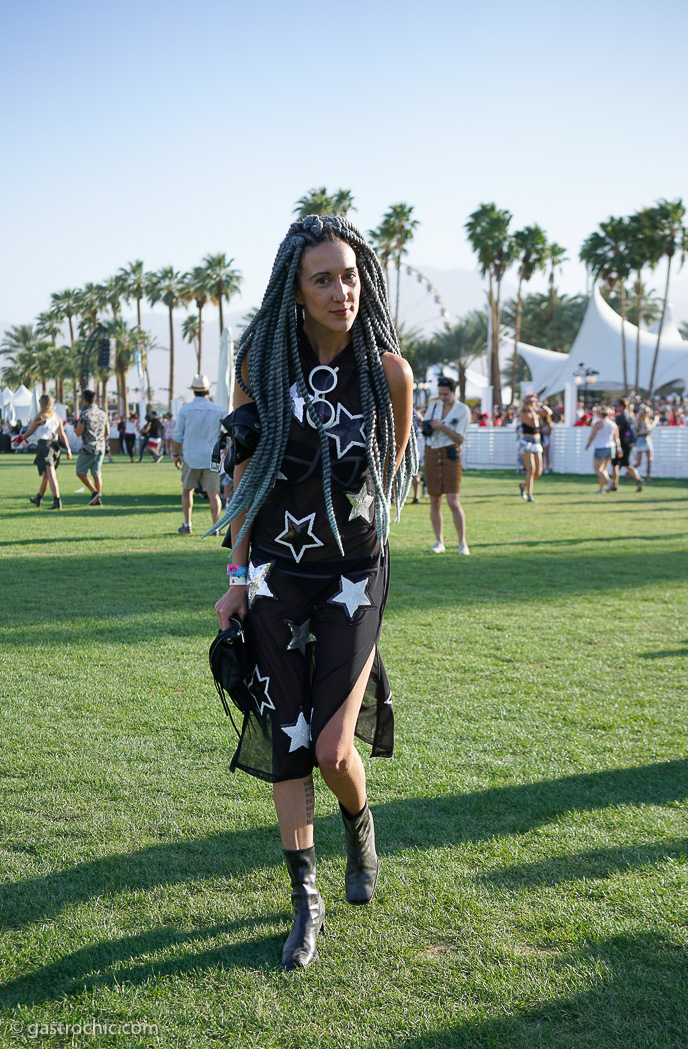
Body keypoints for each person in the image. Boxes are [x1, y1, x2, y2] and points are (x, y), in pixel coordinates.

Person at [212, 215, 416, 970]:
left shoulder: (391, 372)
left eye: (351, 274)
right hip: (273, 573)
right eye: (324, 278)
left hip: (355, 575)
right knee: (289, 747)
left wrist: (357, 555)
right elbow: (241, 476)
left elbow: (387, 484)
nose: (343, 290)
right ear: (294, 292)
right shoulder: (261, 363)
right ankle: (307, 902)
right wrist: (236, 578)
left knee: (334, 748)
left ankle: (360, 825)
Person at [421, 376, 470, 553]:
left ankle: (462, 543)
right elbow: (425, 428)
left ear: (454, 392)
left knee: (453, 501)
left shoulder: (462, 410)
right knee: (434, 500)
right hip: (432, 453)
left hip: (450, 453)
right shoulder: (434, 406)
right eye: (440, 394)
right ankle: (439, 542)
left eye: (445, 394)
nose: (442, 397)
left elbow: (459, 438)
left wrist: (441, 426)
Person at [172, 376, 225, 534]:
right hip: (213, 457)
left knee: (187, 490)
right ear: (208, 390)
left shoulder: (185, 410)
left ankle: (187, 524)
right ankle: (215, 527)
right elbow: (228, 433)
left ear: (193, 391)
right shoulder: (219, 410)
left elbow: (177, 436)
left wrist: (176, 454)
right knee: (214, 493)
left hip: (190, 456)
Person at [14, 394, 72, 509]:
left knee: (50, 474)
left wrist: (19, 439)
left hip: (45, 446)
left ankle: (57, 501)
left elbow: (30, 431)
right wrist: (68, 449)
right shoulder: (57, 417)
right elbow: (62, 434)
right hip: (55, 447)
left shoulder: (41, 417)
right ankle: (38, 498)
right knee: (46, 476)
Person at [74, 390, 109, 506]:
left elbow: (78, 432)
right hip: (101, 447)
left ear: (85, 400)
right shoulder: (103, 414)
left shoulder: (85, 414)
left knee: (80, 471)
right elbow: (107, 432)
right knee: (96, 473)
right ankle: (98, 499)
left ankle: (94, 492)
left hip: (88, 448)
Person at [517, 393, 552, 503]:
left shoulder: (536, 412)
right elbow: (534, 425)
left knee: (538, 471)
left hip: (537, 442)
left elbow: (549, 413)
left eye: (533, 402)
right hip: (527, 442)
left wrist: (541, 405)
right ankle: (530, 495)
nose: (532, 404)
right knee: (531, 469)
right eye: (530, 402)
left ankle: (523, 486)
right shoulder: (523, 413)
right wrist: (533, 411)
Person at [609, 398, 643, 493]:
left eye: (617, 405)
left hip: (620, 444)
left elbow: (617, 431)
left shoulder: (620, 417)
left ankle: (614, 485)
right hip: (628, 444)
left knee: (615, 465)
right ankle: (638, 479)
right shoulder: (631, 416)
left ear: (621, 406)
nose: (616, 407)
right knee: (627, 464)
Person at [585, 405, 620, 493]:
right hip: (611, 447)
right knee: (603, 470)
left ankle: (610, 482)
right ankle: (601, 489)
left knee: (597, 470)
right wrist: (619, 448)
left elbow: (592, 436)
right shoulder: (613, 424)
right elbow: (617, 438)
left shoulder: (598, 423)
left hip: (601, 447)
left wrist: (588, 445)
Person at [634, 405, 658, 481]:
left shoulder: (648, 420)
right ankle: (629, 472)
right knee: (639, 462)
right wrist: (645, 431)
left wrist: (655, 421)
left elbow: (650, 428)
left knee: (649, 460)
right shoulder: (639, 420)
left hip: (647, 440)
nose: (647, 413)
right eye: (645, 412)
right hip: (641, 440)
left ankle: (648, 476)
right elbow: (636, 431)